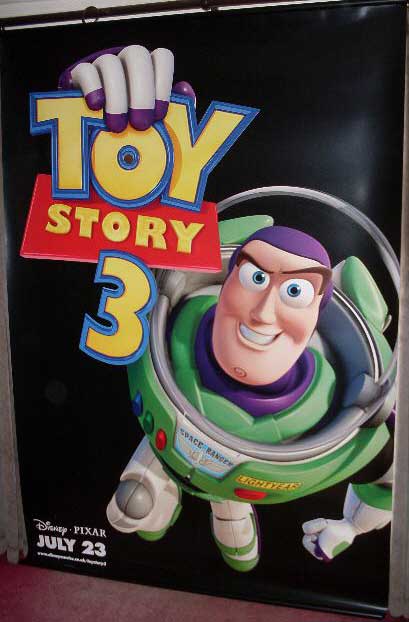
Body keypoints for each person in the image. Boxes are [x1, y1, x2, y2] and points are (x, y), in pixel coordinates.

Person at [62, 46, 394, 571]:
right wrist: (105, 121)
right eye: (255, 277)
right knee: (137, 510)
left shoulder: (344, 411)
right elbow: (112, 215)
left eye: (295, 292)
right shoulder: (165, 313)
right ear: (222, 274)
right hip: (161, 446)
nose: (263, 312)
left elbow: (387, 480)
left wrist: (349, 526)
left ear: (320, 314)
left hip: (251, 476)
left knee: (228, 533)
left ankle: (229, 512)